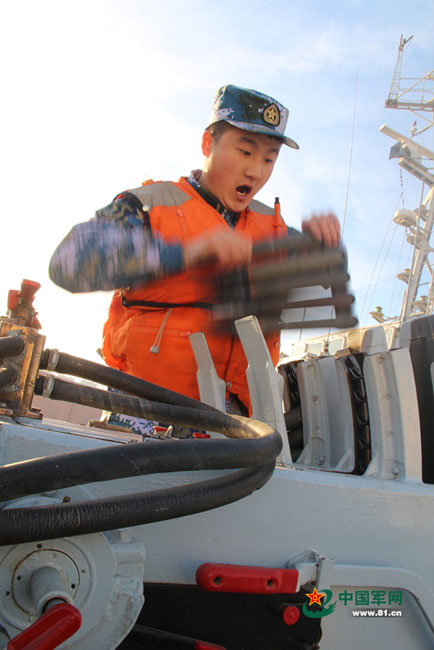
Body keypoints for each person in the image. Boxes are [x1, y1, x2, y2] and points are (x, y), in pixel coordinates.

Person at [50, 84, 340, 431]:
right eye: (246, 152)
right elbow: (68, 264)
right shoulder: (149, 204)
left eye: (268, 159)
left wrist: (321, 248)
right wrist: (189, 253)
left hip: (234, 428)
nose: (256, 172)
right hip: (144, 415)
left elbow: (320, 296)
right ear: (208, 144)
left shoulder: (275, 230)